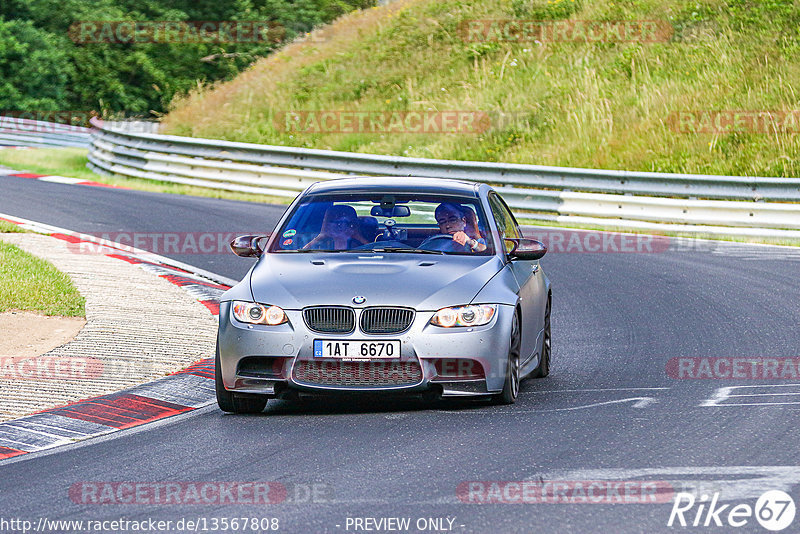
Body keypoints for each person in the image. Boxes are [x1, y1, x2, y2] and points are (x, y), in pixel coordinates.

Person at [303, 205, 367, 250]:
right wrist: (321, 235)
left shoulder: (359, 246)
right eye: (335, 222)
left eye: (346, 223)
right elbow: (302, 253)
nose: (341, 226)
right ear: (326, 224)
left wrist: (358, 237)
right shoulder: (321, 244)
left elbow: (374, 254)